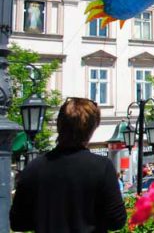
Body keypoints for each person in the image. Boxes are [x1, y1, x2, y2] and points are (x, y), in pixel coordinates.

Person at [10, 97, 127, 232]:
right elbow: (116, 221)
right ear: (91, 129)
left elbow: (18, 222)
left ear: (59, 125)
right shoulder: (101, 167)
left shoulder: (34, 168)